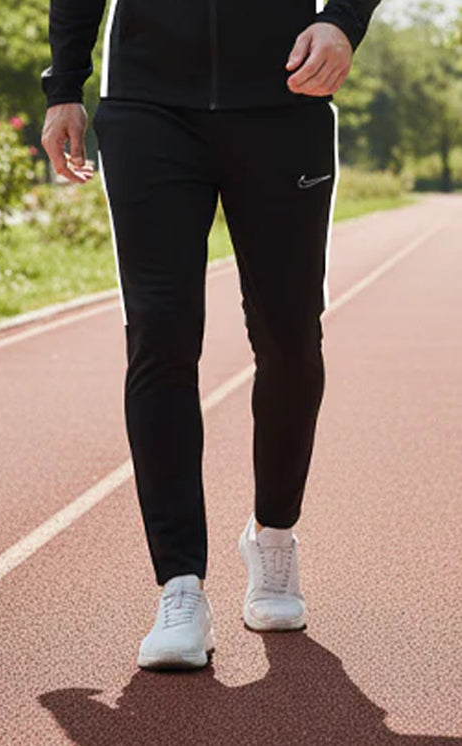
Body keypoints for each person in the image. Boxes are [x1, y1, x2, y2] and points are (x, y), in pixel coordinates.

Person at [41, 0, 381, 670]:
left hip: (283, 98)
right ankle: (179, 588)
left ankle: (272, 537)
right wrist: (63, 87)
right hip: (148, 105)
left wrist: (344, 21)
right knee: (160, 337)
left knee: (289, 340)